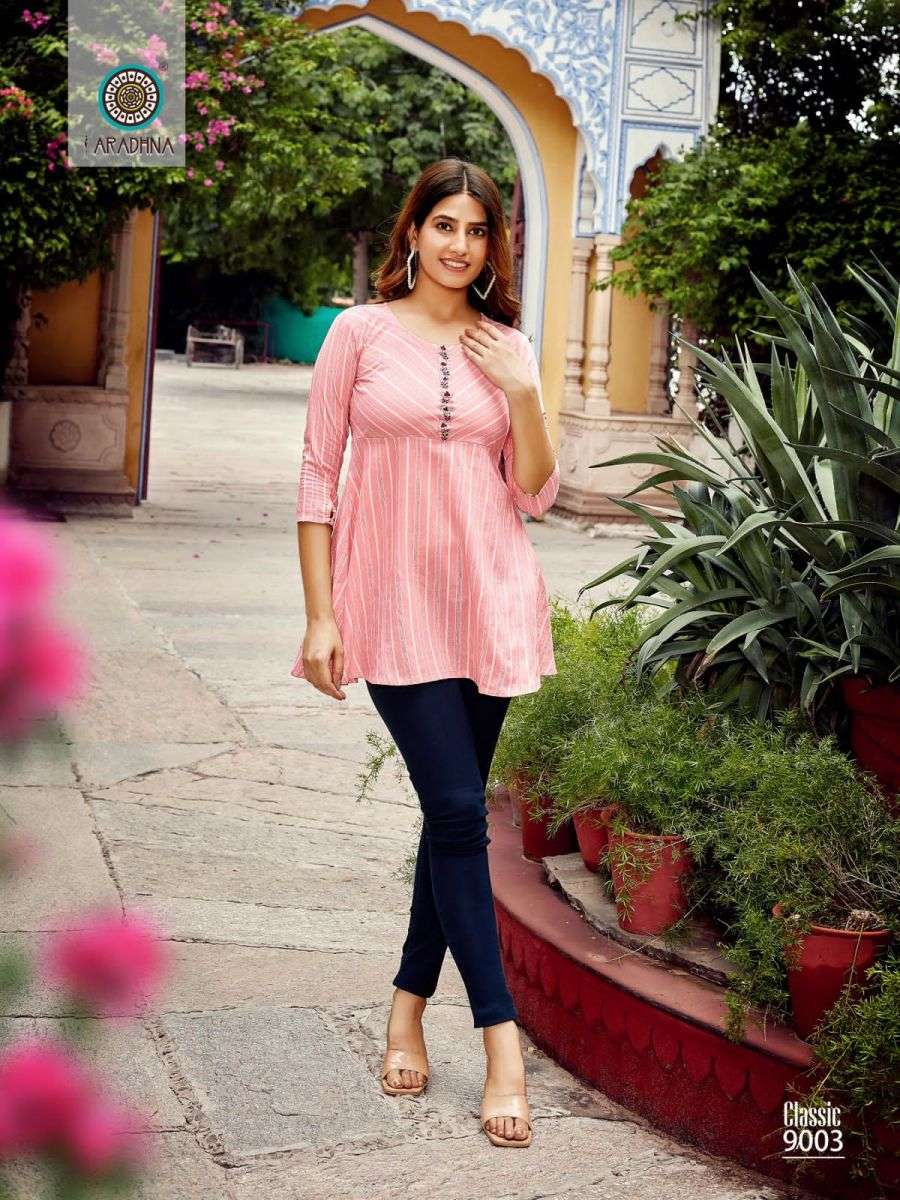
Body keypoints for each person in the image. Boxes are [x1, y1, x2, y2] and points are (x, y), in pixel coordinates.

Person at [292, 157, 560, 1149]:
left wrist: (524, 393)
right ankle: (502, 1046)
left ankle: (407, 1006)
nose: (459, 245)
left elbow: (535, 492)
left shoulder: (507, 346)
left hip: (489, 601)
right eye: (444, 225)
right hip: (391, 604)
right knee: (455, 812)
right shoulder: (359, 334)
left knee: (451, 821)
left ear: (493, 247)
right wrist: (320, 616)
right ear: (413, 231)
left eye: (477, 231)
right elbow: (317, 474)